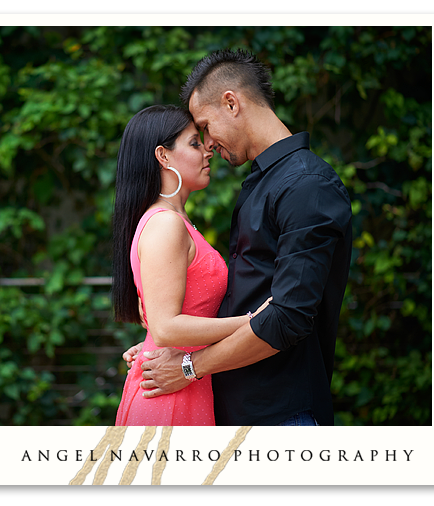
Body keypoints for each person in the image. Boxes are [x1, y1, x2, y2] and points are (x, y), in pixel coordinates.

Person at [123, 49, 353, 426]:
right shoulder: (262, 182)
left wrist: (187, 364)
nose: (208, 143)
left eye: (205, 127)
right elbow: (250, 296)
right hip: (237, 404)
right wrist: (170, 344)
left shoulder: (306, 186)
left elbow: (288, 318)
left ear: (231, 103)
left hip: (280, 411)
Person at [111, 104, 271, 426]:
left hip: (181, 379)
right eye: (194, 143)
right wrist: (252, 322)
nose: (207, 151)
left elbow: (170, 319)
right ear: (164, 156)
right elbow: (166, 327)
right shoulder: (165, 224)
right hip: (169, 394)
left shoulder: (175, 222)